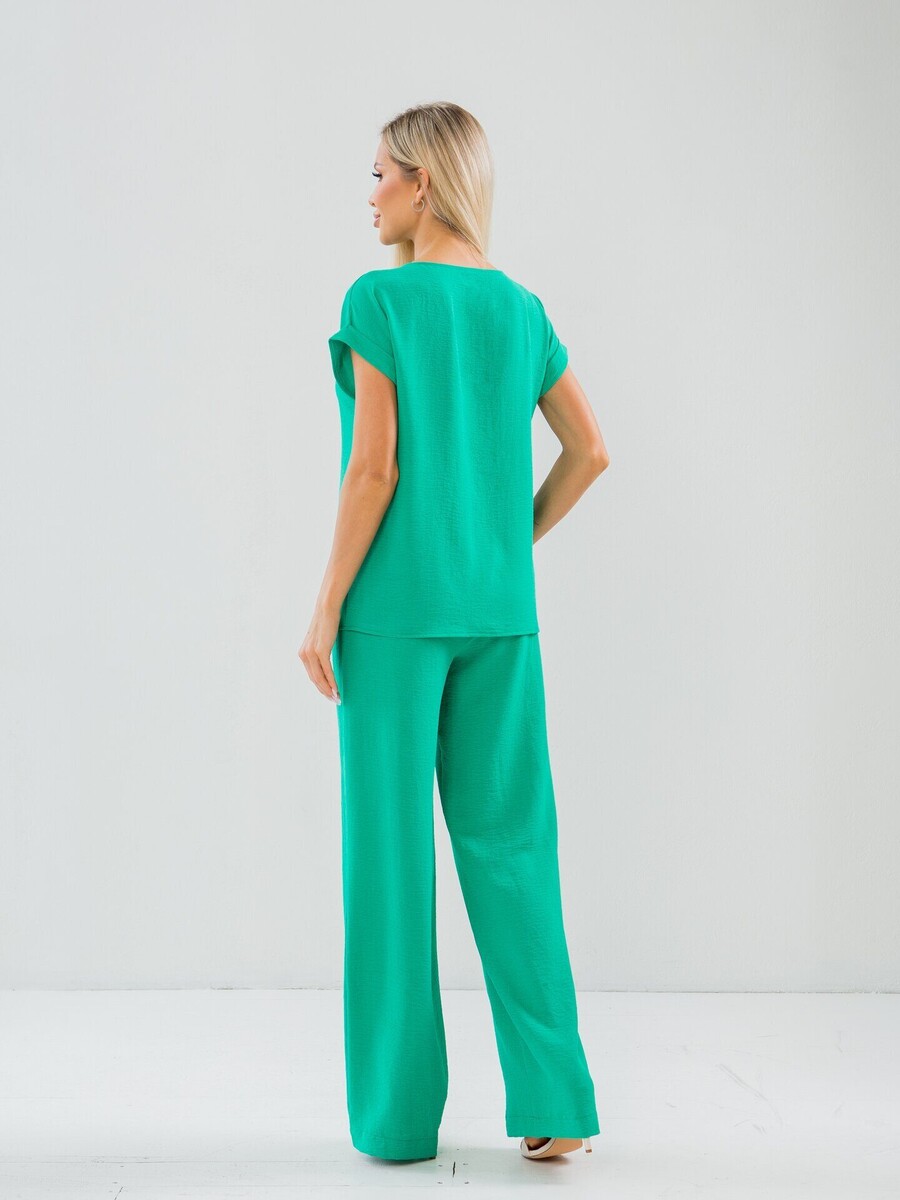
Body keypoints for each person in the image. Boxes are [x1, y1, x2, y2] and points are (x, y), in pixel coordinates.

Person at [298, 101, 610, 1164]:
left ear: (423, 182)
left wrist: (326, 604)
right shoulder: (521, 311)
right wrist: (506, 538)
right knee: (515, 848)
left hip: (393, 619)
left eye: (380, 173)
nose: (371, 194)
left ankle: (396, 1122)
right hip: (499, 617)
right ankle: (558, 1103)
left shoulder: (380, 299)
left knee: (390, 862)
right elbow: (591, 451)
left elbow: (374, 468)